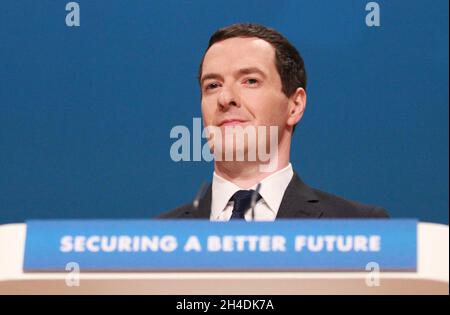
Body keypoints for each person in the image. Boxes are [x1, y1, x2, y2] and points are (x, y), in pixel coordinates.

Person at [159, 23, 389, 220]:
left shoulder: (359, 227)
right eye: (213, 85)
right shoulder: (157, 241)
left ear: (295, 105)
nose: (225, 98)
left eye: (250, 81)